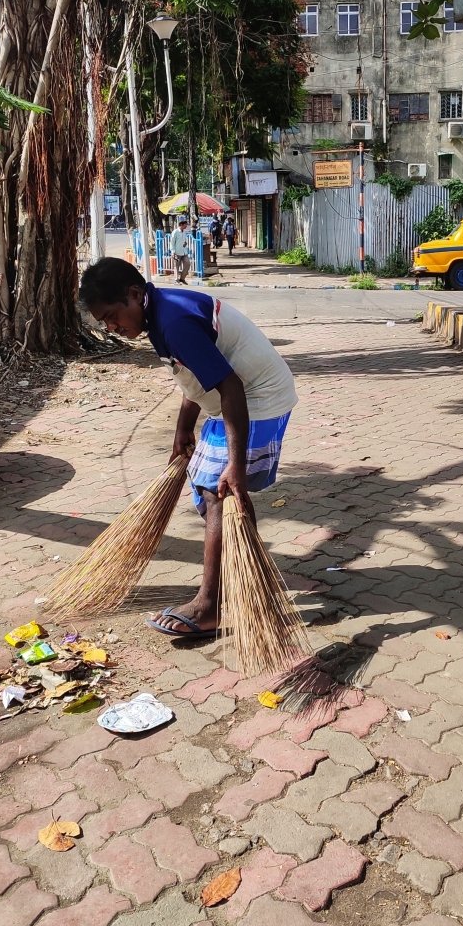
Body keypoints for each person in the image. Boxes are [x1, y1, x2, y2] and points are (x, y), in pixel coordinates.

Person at [79, 257, 298, 639]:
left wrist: (236, 463)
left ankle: (209, 606)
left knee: (219, 490)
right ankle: (250, 579)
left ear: (134, 294)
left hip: (259, 399)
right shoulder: (159, 313)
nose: (112, 327)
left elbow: (230, 386)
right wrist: (183, 429)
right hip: (236, 399)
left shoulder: (173, 321)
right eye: (104, 322)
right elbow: (198, 375)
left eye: (113, 316)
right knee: (207, 486)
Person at [170, 215, 192, 284]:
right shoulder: (175, 232)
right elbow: (172, 242)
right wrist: (173, 252)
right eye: (185, 224)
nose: (186, 226)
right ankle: (176, 280)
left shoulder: (184, 232)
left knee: (187, 264)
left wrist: (185, 243)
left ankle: (182, 278)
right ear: (181, 224)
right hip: (177, 252)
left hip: (184, 252)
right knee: (176, 266)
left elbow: (184, 241)